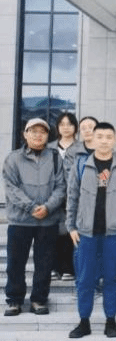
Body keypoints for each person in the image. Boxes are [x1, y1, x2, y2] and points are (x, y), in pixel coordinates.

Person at [67, 122, 116, 339]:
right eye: (100, 136)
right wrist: (71, 226)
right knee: (85, 279)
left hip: (112, 233)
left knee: (111, 279)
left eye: (108, 137)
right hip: (86, 232)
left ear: (114, 140)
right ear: (93, 139)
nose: (104, 141)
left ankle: (110, 321)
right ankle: (84, 321)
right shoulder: (81, 165)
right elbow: (72, 197)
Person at [3, 118, 66, 317]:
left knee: (44, 264)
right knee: (15, 263)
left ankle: (39, 299)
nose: (38, 135)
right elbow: (11, 188)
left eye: (43, 132)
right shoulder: (13, 158)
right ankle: (14, 300)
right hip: (20, 220)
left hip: (47, 220)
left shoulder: (55, 157)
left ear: (48, 136)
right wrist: (31, 207)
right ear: (25, 134)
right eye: (34, 131)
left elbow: (61, 186)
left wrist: (48, 207)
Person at [48, 112, 79, 282]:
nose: (65, 127)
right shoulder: (49, 148)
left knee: (69, 231)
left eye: (69, 124)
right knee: (52, 231)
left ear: (75, 127)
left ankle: (68, 268)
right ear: (57, 127)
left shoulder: (80, 148)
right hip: (52, 195)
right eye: (62, 124)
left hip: (73, 196)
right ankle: (53, 267)